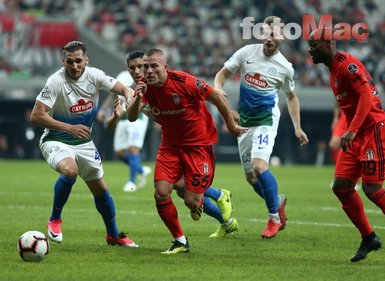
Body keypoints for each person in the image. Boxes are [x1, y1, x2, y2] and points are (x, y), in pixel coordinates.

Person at [127, 48, 246, 254]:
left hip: (198, 145)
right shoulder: (142, 88)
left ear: (165, 67)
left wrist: (230, 124)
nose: (147, 71)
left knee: (191, 201)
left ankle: (219, 195)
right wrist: (138, 97)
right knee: (161, 193)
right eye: (144, 67)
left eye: (153, 66)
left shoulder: (184, 82)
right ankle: (180, 241)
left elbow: (216, 96)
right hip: (170, 145)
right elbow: (131, 116)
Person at [29, 41, 138, 247]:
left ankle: (113, 235)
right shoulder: (55, 81)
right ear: (63, 62)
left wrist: (130, 96)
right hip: (55, 139)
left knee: (101, 189)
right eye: (69, 62)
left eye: (79, 61)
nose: (75, 66)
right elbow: (36, 116)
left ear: (86, 60)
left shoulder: (95, 75)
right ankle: (54, 219)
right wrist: (69, 128)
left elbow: (123, 88)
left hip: (84, 143)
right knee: (70, 170)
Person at [214, 16, 309, 239]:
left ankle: (274, 217)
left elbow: (292, 97)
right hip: (245, 122)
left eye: (274, 34)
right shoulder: (246, 53)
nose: (268, 38)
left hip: (266, 121)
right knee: (251, 178)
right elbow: (221, 76)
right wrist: (220, 94)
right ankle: (277, 200)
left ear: (282, 37)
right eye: (266, 33)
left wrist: (298, 127)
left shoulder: (285, 68)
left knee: (259, 166)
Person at [308, 28, 385, 262]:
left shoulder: (348, 65)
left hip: (372, 130)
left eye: (313, 45)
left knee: (372, 189)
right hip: (356, 134)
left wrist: (351, 129)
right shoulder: (333, 70)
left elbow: (366, 97)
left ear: (328, 43)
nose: (309, 49)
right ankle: (369, 237)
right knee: (341, 186)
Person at [98, 50, 151, 192]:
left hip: (138, 117)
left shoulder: (147, 75)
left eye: (139, 65)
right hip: (122, 117)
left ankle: (132, 182)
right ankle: (140, 168)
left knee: (133, 149)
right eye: (132, 66)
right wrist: (103, 110)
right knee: (119, 153)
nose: (136, 69)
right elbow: (113, 94)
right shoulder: (122, 76)